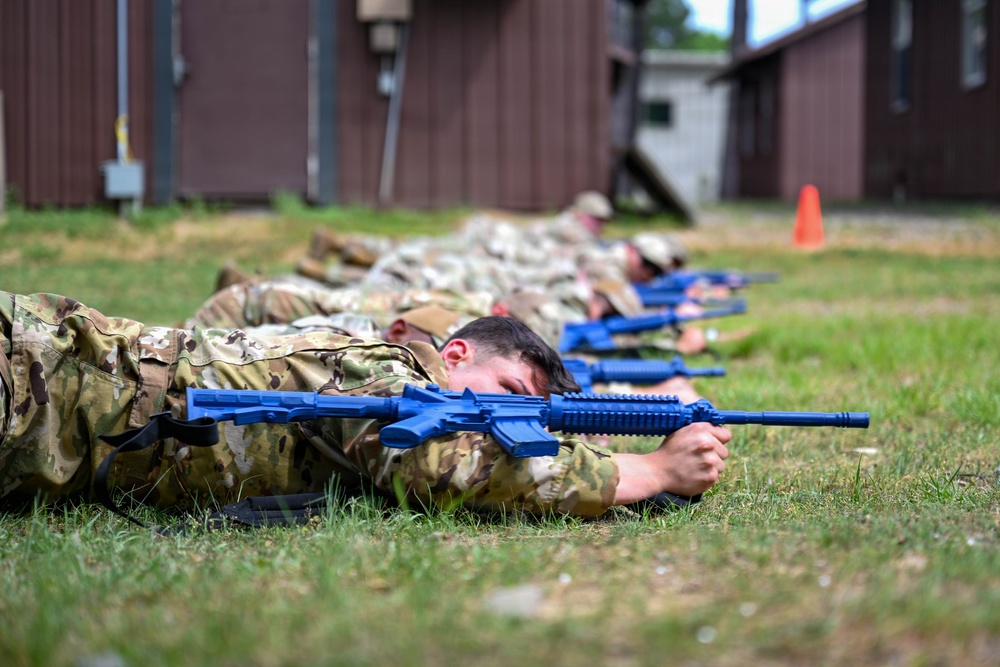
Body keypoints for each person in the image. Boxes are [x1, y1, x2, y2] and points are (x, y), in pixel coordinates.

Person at [0, 292, 730, 518]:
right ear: (454, 355)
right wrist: (649, 471)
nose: (518, 418)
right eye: (511, 392)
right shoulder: (382, 370)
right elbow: (443, 464)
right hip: (41, 376)